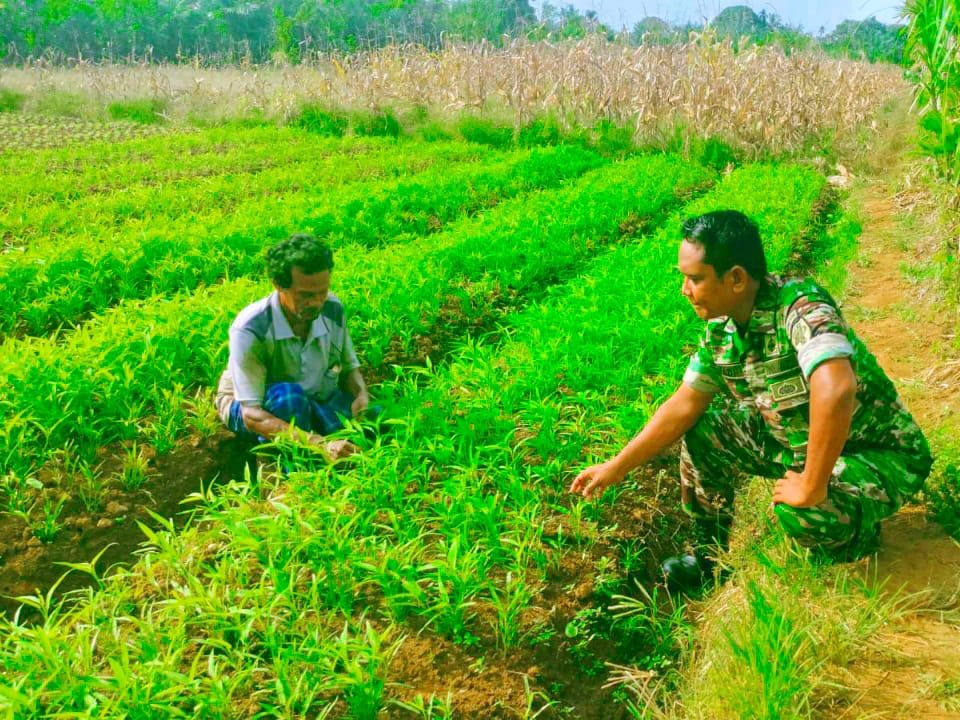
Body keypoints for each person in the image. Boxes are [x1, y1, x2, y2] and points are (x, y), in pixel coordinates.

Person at [571, 210, 933, 592]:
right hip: (797, 442)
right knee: (705, 431)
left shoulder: (800, 307)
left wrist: (812, 482)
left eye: (695, 279)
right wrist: (617, 466)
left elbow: (836, 388)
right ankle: (708, 558)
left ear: (737, 278)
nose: (685, 289)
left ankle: (856, 540)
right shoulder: (721, 330)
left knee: (802, 510)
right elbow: (684, 405)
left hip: (876, 453)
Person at [215, 233, 370, 460]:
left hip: (313, 395)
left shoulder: (332, 309)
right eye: (305, 295)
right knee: (289, 398)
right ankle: (279, 467)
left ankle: (315, 433)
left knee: (375, 422)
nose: (316, 302)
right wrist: (319, 444)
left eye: (322, 292)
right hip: (255, 405)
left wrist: (361, 394)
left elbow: (349, 369)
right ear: (278, 285)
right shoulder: (251, 329)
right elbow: (252, 414)